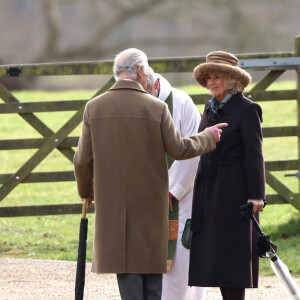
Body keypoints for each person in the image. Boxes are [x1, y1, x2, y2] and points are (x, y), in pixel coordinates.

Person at [73, 48, 227, 300]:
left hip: (114, 206)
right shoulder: (156, 107)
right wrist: (207, 137)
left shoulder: (93, 107)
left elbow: (81, 160)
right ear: (142, 71)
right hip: (151, 206)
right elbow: (179, 148)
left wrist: (86, 191)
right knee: (153, 277)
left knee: (128, 273)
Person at [188, 51, 265, 300]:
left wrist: (256, 197)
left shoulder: (247, 109)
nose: (211, 82)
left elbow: (255, 156)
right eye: (208, 77)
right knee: (215, 260)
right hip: (208, 191)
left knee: (233, 262)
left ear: (232, 80)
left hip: (235, 194)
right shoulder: (209, 107)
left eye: (217, 77)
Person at [146, 68, 207, 300]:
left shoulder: (181, 103)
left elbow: (192, 149)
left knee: (182, 252)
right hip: (147, 194)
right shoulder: (138, 103)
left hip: (180, 195)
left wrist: (173, 190)